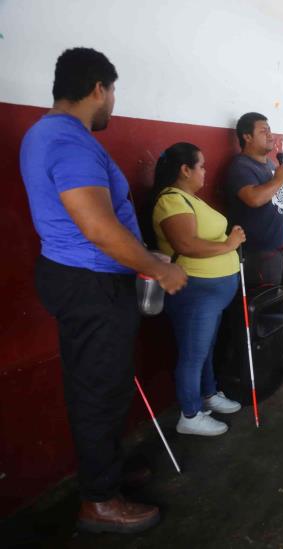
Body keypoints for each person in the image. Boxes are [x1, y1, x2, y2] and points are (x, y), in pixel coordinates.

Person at [20, 48, 187, 533]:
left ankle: (106, 474)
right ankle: (99, 500)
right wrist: (159, 270)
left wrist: (144, 256)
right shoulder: (70, 143)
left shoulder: (47, 133)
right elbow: (96, 227)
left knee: (103, 384)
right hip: (90, 282)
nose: (113, 103)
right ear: (99, 89)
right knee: (98, 391)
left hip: (82, 276)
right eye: (112, 92)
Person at [151, 143, 245, 436]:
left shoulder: (191, 199)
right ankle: (190, 414)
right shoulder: (171, 200)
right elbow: (186, 245)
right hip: (195, 291)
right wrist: (230, 244)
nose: (205, 171)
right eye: (201, 166)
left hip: (213, 293)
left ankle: (208, 393)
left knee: (205, 348)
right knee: (193, 353)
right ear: (185, 169)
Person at [225, 112, 283, 375]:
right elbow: (254, 199)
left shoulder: (268, 166)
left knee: (282, 305)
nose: (270, 134)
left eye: (270, 129)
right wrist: (279, 178)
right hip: (259, 254)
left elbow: (275, 198)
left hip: (277, 250)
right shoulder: (241, 167)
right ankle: (272, 365)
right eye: (263, 130)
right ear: (246, 136)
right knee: (270, 310)